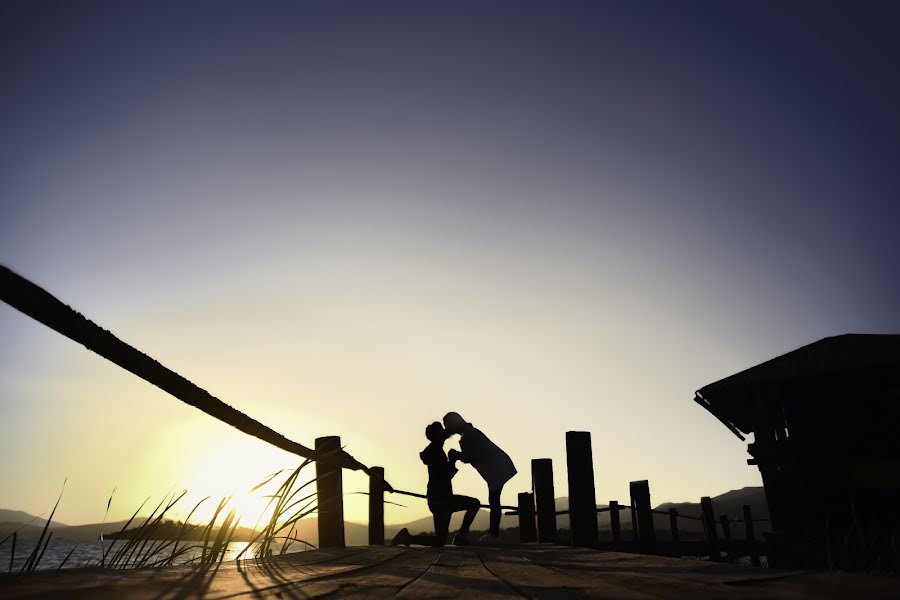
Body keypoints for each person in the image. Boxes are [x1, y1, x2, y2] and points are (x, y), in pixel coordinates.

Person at [391, 421, 480, 547]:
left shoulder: (433, 450)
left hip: (437, 499)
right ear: (438, 436)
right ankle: (462, 535)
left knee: (440, 541)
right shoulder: (436, 452)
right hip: (443, 500)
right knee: (474, 504)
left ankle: (408, 538)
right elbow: (445, 475)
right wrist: (453, 461)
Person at [442, 411, 516, 545]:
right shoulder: (469, 433)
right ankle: (493, 535)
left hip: (497, 468)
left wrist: (457, 455)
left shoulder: (469, 434)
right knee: (494, 500)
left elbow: (474, 455)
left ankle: (493, 536)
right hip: (498, 466)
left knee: (494, 501)